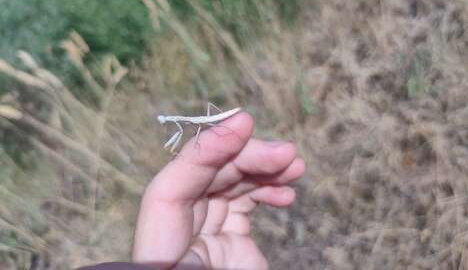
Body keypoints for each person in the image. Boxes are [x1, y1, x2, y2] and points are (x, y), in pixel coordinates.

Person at [78, 111, 305, 269]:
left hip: (215, 119)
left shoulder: (186, 123)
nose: (164, 122)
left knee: (213, 129)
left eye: (164, 119)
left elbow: (201, 123)